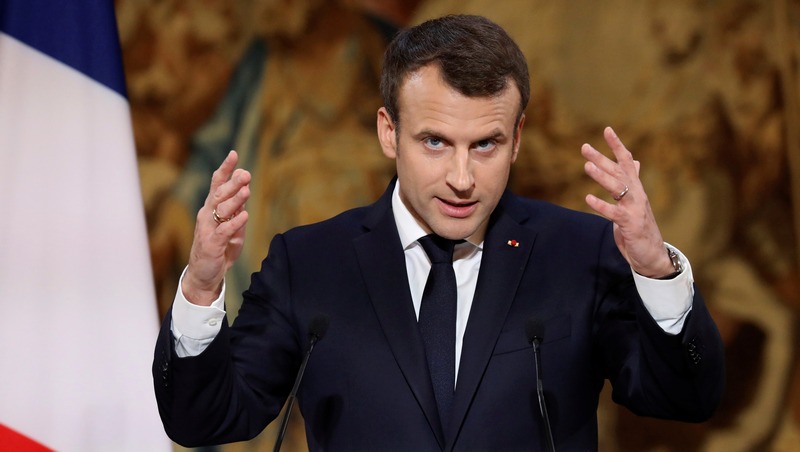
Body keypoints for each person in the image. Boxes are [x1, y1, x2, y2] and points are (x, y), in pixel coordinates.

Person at [153, 14, 724, 451]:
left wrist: (656, 270)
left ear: (518, 138)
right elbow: (202, 418)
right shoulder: (310, 263)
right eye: (434, 142)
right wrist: (201, 288)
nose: (461, 179)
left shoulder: (579, 253)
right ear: (388, 131)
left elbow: (686, 398)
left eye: (485, 145)